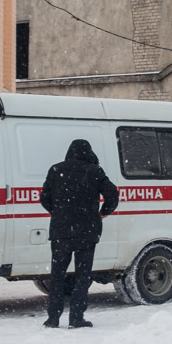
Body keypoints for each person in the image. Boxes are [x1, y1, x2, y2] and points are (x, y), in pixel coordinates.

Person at [39, 139, 119, 328]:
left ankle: (53, 318)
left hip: (61, 231)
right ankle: (76, 317)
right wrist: (102, 213)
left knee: (57, 276)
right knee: (83, 276)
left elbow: (44, 198)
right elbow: (113, 195)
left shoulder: (56, 170)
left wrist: (59, 212)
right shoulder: (94, 171)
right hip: (87, 231)